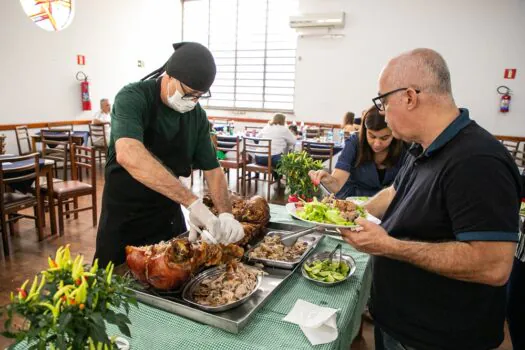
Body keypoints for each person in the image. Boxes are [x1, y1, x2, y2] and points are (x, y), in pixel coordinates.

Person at [340, 48, 521, 350]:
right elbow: (394, 194)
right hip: (397, 322)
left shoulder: (478, 160)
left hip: (438, 337)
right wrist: (341, 212)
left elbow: (493, 266)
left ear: (409, 97)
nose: (382, 113)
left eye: (383, 102)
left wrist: (390, 246)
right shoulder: (421, 146)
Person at [94, 42, 244, 267]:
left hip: (168, 215)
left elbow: (213, 169)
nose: (193, 101)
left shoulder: (196, 117)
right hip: (126, 216)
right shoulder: (133, 97)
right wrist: (193, 203)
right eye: (189, 93)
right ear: (170, 76)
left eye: (199, 96)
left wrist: (225, 214)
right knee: (115, 284)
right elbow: (129, 154)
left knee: (173, 277)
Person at [309, 106, 405, 199]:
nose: (377, 144)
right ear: (364, 130)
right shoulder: (354, 143)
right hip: (352, 199)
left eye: (384, 138)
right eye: (372, 136)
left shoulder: (404, 148)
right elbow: (337, 184)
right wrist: (328, 180)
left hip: (386, 203)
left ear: (395, 133)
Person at [255, 113, 296, 178]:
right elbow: (294, 141)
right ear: (283, 121)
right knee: (283, 160)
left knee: (277, 157)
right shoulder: (284, 129)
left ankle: (277, 180)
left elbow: (257, 137)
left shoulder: (267, 126)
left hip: (258, 158)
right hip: (272, 159)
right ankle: (278, 181)